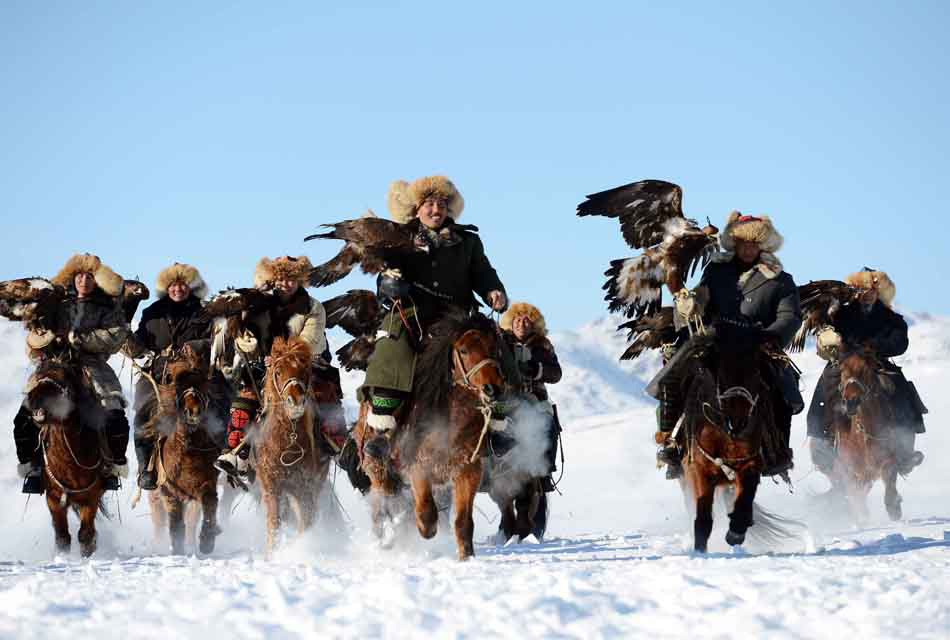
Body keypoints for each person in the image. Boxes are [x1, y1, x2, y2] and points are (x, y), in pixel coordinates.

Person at [656, 213, 803, 478]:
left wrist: (771, 337)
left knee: (784, 388)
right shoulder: (716, 270)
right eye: (743, 244)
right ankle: (672, 443)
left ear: (763, 245)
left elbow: (790, 317)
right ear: (734, 244)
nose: (748, 249)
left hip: (757, 344)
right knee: (671, 377)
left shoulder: (782, 280)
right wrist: (687, 306)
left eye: (753, 244)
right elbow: (700, 304)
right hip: (715, 340)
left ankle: (778, 450)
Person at [361, 175, 508, 430]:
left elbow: (483, 273)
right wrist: (389, 285)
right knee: (391, 346)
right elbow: (384, 275)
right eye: (428, 204)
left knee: (497, 347)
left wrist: (494, 292)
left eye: (441, 204)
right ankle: (380, 428)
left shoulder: (468, 241)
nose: (436, 209)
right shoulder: (399, 238)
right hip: (411, 315)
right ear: (416, 210)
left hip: (458, 318)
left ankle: (499, 421)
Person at [214, 256, 349, 479]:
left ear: (300, 281)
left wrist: (280, 358)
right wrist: (248, 346)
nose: (287, 283)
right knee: (244, 399)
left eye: (292, 279)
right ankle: (236, 453)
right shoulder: (259, 303)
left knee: (325, 396)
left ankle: (339, 447)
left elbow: (310, 341)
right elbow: (247, 336)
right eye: (282, 278)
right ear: (275, 279)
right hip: (265, 365)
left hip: (306, 363)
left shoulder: (313, 307)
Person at [14, 254, 131, 493]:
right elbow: (34, 338)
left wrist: (77, 338)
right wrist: (44, 337)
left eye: (89, 276)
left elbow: (116, 335)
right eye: (79, 275)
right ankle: (34, 468)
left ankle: (111, 466)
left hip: (92, 366)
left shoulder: (106, 307)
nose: (83, 281)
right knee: (26, 414)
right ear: (72, 277)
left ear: (96, 280)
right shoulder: (55, 304)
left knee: (114, 412)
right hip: (54, 366)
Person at [807, 268, 926, 474]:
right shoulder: (841, 315)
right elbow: (827, 332)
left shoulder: (891, 318)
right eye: (862, 289)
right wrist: (829, 336)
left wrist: (875, 347)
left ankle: (905, 449)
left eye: (872, 289)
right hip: (844, 362)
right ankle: (820, 441)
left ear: (878, 291)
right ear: (855, 292)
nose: (867, 293)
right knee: (825, 386)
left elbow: (900, 342)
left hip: (877, 363)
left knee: (900, 388)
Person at [124, 263, 230, 489]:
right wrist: (126, 340)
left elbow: (217, 340)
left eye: (182, 284)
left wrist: (196, 346)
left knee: (221, 403)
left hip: (196, 373)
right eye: (173, 285)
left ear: (191, 286)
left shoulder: (206, 311)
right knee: (143, 412)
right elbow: (140, 344)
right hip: (159, 373)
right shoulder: (152, 313)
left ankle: (224, 457)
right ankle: (146, 469)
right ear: (166, 287)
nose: (178, 289)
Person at [498, 302, 563, 491]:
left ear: (534, 324)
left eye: (526, 320)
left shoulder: (543, 345)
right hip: (506, 397)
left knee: (548, 423)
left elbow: (556, 374)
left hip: (535, 397)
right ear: (510, 322)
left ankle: (545, 472)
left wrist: (536, 370)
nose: (521, 324)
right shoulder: (500, 342)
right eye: (517, 319)